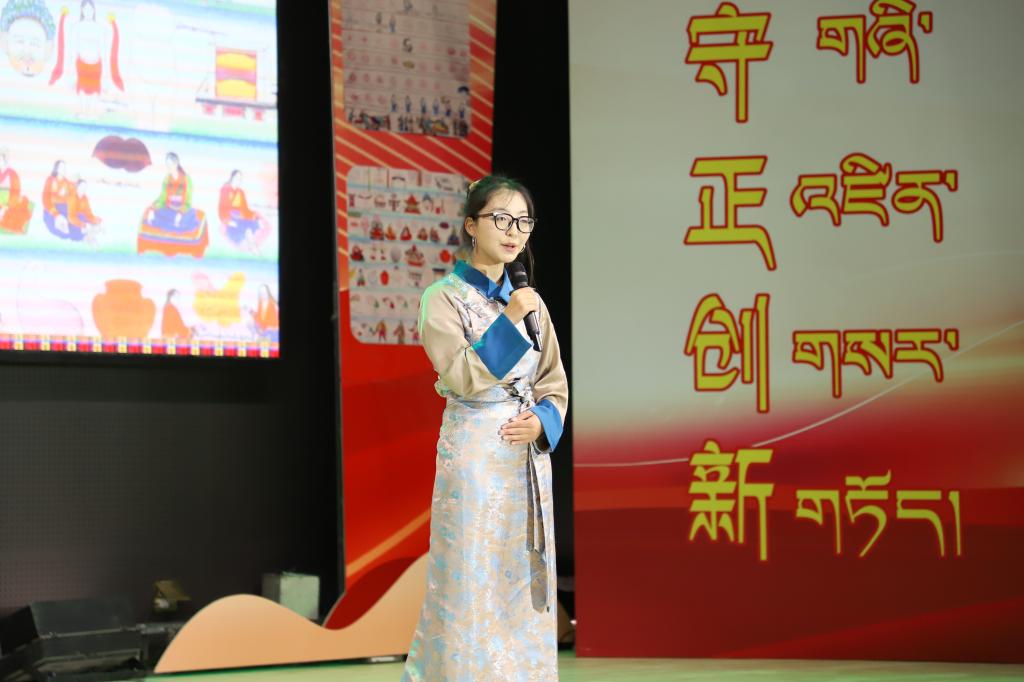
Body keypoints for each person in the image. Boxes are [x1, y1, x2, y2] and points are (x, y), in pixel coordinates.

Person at [402, 175, 568, 680]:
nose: (513, 231)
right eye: (500, 218)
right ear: (471, 225)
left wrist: (542, 421)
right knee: (469, 578)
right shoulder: (442, 298)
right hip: (475, 453)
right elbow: (460, 377)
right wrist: (510, 321)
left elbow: (553, 381)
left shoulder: (529, 300)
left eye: (523, 221)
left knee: (521, 578)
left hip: (526, 461)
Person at [0, 148, 33, 233]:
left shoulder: (12, 174)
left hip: (9, 205)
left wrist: (6, 206)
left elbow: (16, 192)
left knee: (18, 213)